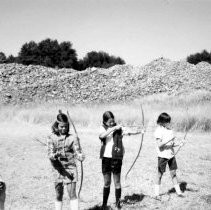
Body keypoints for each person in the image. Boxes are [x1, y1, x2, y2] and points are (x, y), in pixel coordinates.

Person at [99, 111, 143, 210]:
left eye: (113, 121)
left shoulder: (119, 128)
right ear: (105, 122)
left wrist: (140, 131)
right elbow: (102, 136)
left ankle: (118, 204)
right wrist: (114, 128)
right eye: (109, 122)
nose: (112, 123)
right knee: (107, 182)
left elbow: (129, 132)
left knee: (117, 182)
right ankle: (104, 204)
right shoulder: (103, 127)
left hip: (116, 158)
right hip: (106, 158)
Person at [47, 111, 85, 210]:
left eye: (66, 126)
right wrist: (55, 155)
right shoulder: (51, 137)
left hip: (70, 167)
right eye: (61, 126)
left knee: (72, 193)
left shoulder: (73, 137)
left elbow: (77, 151)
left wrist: (80, 156)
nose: (63, 129)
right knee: (59, 194)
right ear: (56, 125)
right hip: (57, 168)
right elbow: (50, 154)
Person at [154, 112, 185, 198]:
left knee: (173, 173)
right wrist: (168, 139)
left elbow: (172, 143)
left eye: (169, 121)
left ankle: (179, 192)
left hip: (171, 155)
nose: (169, 123)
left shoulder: (170, 130)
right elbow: (159, 145)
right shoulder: (158, 130)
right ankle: (157, 194)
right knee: (159, 174)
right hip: (162, 156)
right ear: (162, 122)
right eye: (167, 122)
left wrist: (179, 144)